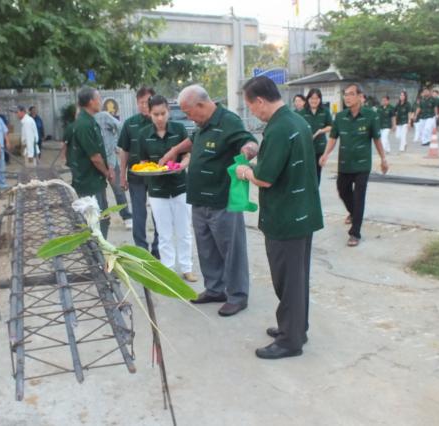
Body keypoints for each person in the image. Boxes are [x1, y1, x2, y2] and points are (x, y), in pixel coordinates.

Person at [234, 76, 323, 359]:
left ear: (260, 101)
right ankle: (296, 328)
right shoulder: (298, 121)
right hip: (303, 212)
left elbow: (265, 178)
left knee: (287, 280)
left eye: (251, 107)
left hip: (285, 217)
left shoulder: (278, 128)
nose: (253, 113)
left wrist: (245, 172)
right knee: (298, 278)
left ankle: (289, 341)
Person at [159, 84, 259, 317]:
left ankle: (238, 296)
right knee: (206, 249)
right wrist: (174, 151)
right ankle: (215, 289)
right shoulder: (203, 124)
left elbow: (249, 142)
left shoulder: (229, 121)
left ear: (202, 105)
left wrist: (246, 152)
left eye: (189, 112)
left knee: (231, 250)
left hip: (221, 199)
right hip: (199, 198)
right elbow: (193, 140)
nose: (188, 117)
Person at [319, 83, 389, 247]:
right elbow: (333, 138)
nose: (347, 97)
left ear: (360, 97)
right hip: (345, 164)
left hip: (362, 165)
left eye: (351, 94)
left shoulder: (371, 116)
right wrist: (326, 154)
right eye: (345, 94)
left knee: (359, 197)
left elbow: (377, 139)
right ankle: (353, 212)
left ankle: (355, 233)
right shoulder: (340, 117)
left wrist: (383, 159)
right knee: (342, 190)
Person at [138, 95, 197, 282]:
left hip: (180, 187)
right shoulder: (144, 134)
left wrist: (182, 165)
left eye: (163, 113)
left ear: (168, 111)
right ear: (149, 114)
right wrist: (149, 169)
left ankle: (187, 268)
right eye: (156, 114)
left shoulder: (179, 129)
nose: (160, 118)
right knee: (164, 233)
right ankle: (168, 269)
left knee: (184, 230)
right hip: (157, 191)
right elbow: (143, 161)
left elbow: (187, 155)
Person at [118, 86, 160, 257]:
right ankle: (141, 250)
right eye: (140, 102)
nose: (144, 105)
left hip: (158, 177)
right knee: (139, 213)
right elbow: (124, 151)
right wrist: (122, 175)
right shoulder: (130, 124)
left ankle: (157, 249)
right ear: (137, 103)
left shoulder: (160, 121)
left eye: (147, 102)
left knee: (158, 212)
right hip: (136, 177)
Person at [68, 87, 114, 237]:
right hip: (89, 182)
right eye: (98, 99)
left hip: (95, 180)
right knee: (96, 222)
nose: (101, 102)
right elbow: (95, 157)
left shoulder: (89, 121)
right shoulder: (84, 124)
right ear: (90, 102)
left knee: (102, 218)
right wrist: (107, 173)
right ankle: (98, 250)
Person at [94, 110, 133, 228]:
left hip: (110, 159)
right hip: (95, 162)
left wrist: (117, 144)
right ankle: (103, 218)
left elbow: (120, 126)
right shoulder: (86, 120)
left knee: (118, 189)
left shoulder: (103, 116)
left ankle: (126, 216)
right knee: (99, 192)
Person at [299, 88, 332, 182]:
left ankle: (315, 190)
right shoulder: (302, 112)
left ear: (320, 99)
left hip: (320, 148)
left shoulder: (325, 111)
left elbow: (331, 126)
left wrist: (321, 131)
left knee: (317, 173)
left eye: (316, 98)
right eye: (312, 98)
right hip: (306, 148)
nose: (314, 101)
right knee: (306, 172)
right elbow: (298, 128)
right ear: (308, 99)